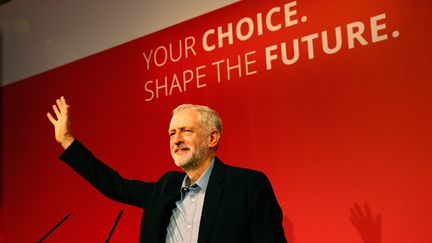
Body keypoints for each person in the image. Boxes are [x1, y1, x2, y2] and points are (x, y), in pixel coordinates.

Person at [47, 96, 287, 243]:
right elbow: (113, 185)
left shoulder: (247, 185)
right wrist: (67, 140)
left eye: (186, 131)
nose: (176, 139)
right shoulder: (165, 188)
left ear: (212, 138)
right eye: (172, 133)